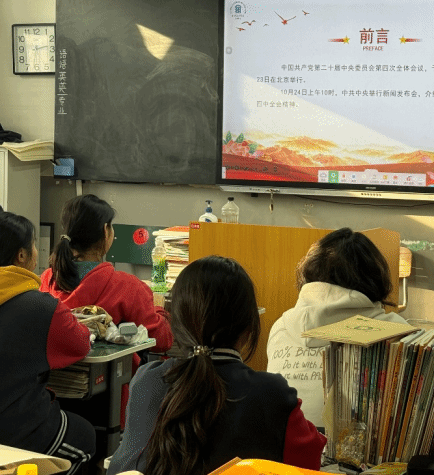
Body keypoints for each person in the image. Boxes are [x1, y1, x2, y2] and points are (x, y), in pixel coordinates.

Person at [107, 255, 326, 475]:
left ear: (176, 324)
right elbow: (310, 461)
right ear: (249, 327)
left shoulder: (147, 380)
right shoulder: (272, 394)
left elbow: (123, 465)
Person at [267, 227, 407, 428]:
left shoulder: (280, 326)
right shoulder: (396, 331)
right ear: (374, 278)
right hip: (357, 445)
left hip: (283, 444)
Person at [0, 211, 95, 475]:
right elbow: (80, 344)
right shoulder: (40, 306)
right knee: (85, 436)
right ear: (22, 255)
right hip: (15, 429)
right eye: (33, 244)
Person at [39, 194, 173, 359]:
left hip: (54, 375)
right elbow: (162, 340)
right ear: (105, 230)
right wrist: (159, 308)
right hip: (116, 376)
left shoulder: (46, 281)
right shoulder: (126, 286)